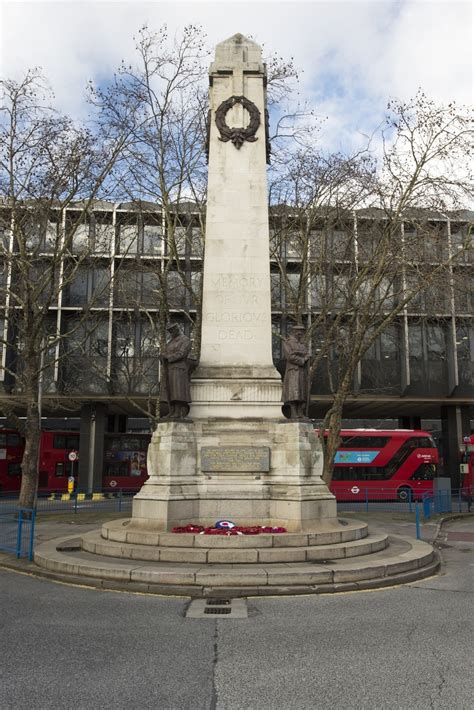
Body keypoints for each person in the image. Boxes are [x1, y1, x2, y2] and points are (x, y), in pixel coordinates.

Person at [161, 323, 192, 419]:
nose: (171, 333)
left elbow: (182, 353)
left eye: (172, 331)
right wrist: (162, 356)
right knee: (170, 391)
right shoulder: (170, 342)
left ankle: (178, 412)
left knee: (177, 391)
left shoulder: (185, 340)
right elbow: (165, 352)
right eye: (170, 332)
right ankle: (172, 411)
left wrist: (168, 357)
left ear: (177, 329)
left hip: (179, 368)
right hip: (169, 369)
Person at [282, 325, 310, 420]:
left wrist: (302, 355)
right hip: (293, 371)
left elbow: (307, 354)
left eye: (302, 332)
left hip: (302, 372)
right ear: (294, 332)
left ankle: (300, 413)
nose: (300, 334)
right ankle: (294, 413)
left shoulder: (302, 344)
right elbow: (290, 356)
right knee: (294, 393)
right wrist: (303, 359)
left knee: (302, 393)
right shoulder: (288, 343)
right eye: (299, 331)